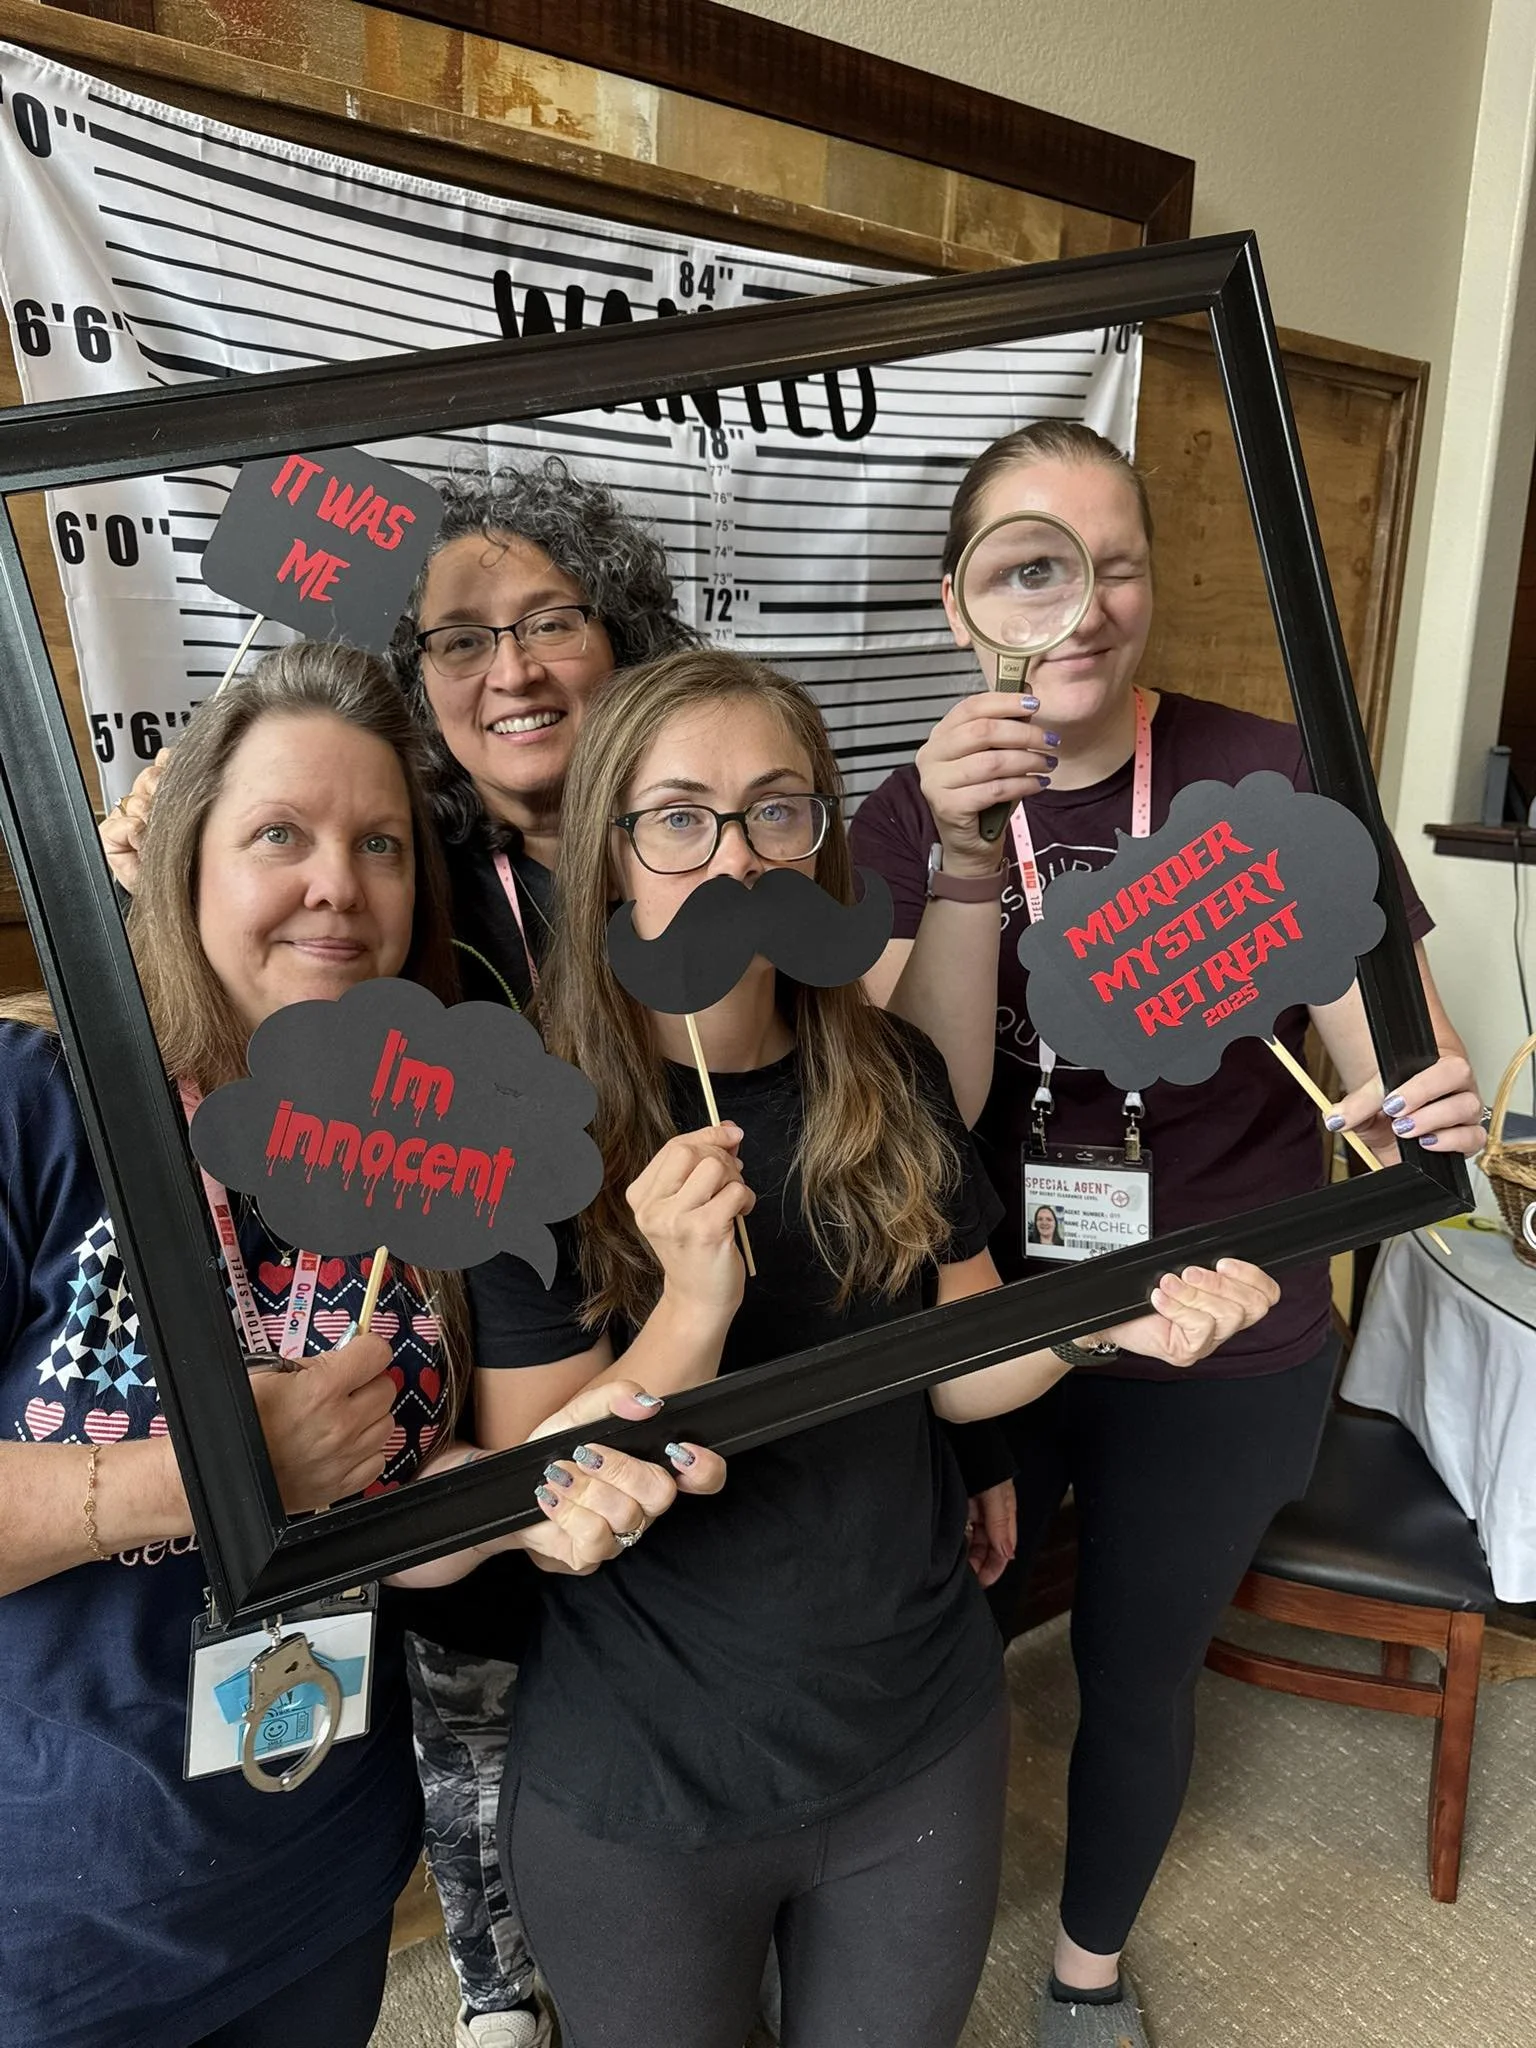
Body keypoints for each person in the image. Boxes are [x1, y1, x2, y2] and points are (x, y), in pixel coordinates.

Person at [463, 646, 1283, 2048]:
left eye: (779, 811)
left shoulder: (888, 1071)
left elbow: (956, 1361)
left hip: (918, 1736)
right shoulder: (528, 1122)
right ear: (609, 856)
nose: (734, 862)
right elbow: (535, 1505)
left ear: (826, 842)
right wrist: (692, 1307)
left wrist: (1103, 1324)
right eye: (679, 819)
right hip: (645, 1781)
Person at [849, 420, 1487, 2047]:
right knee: (930, 1660)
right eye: (1031, 567)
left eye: (1116, 563)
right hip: (997, 1322)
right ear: (956, 602)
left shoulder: (1266, 775)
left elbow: (1384, 1043)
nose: (1082, 606)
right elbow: (893, 1104)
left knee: (1135, 1672)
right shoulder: (906, 821)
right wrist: (963, 856)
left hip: (1225, 1330)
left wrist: (1409, 1103)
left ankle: (1086, 1976)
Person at [7, 644, 720, 2048]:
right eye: (281, 834)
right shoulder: (43, 1105)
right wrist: (225, 1471)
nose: (338, 882)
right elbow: (288, 1472)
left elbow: (414, 1509)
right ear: (185, 863)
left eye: (379, 843)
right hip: (51, 1921)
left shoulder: (428, 1156)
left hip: (315, 1876)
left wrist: (550, 1500)